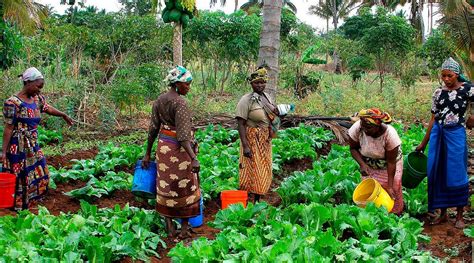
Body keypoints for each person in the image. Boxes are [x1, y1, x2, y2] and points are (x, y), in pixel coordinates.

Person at [1, 67, 73, 210]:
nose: (39, 90)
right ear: (27, 82)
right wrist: (3, 152)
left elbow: (47, 108)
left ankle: (33, 200)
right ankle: (18, 205)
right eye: (38, 86)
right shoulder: (12, 103)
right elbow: (8, 128)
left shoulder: (37, 98)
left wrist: (63, 114)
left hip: (33, 143)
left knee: (41, 172)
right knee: (21, 175)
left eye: (41, 87)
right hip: (18, 145)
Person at [142, 65, 200, 241]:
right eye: (187, 84)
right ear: (177, 84)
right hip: (179, 151)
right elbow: (183, 137)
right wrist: (194, 158)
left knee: (166, 186)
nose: (188, 87)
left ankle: (169, 229)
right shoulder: (180, 103)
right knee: (183, 187)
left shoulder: (160, 100)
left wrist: (147, 153)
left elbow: (153, 129)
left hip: (163, 149)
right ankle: (183, 231)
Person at [416, 57, 472, 229]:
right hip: (438, 134)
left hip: (456, 134)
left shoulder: (467, 89)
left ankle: (460, 214)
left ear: (457, 75)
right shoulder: (438, 93)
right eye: (443, 76)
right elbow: (433, 119)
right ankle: (443, 214)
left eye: (449, 76)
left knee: (457, 172)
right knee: (437, 171)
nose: (446, 79)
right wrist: (423, 143)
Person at [236, 67, 280, 203]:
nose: (260, 85)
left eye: (262, 82)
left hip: (264, 139)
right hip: (252, 138)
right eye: (256, 83)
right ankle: (251, 200)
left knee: (264, 168)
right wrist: (245, 145)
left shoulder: (267, 97)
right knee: (253, 170)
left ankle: (258, 198)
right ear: (251, 84)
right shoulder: (246, 100)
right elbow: (240, 124)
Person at [348, 108, 404, 214]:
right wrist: (363, 165)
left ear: (378, 125)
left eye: (368, 127)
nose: (365, 130)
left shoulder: (390, 136)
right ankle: (372, 215)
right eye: (363, 126)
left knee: (392, 190)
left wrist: (390, 186)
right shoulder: (357, 128)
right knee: (370, 190)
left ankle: (396, 214)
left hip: (389, 164)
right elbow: (353, 148)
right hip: (368, 163)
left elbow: (391, 162)